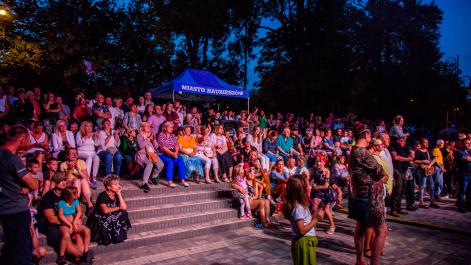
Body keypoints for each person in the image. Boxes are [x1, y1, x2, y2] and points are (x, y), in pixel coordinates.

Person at [349, 122, 388, 265]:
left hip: (359, 194)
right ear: (366, 135)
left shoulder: (353, 151)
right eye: (369, 135)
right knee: (381, 230)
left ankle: (360, 259)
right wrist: (382, 176)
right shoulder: (364, 153)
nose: (370, 137)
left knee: (360, 227)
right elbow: (381, 172)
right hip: (371, 197)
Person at [0, 125, 38, 265]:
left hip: (4, 207)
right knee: (22, 250)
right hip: (16, 209)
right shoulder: (13, 159)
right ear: (22, 138)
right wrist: (28, 186)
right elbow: (34, 185)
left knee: (12, 248)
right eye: (28, 139)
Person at [41, 172, 93, 265]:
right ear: (55, 183)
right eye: (61, 181)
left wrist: (75, 221)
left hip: (71, 222)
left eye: (64, 180)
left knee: (78, 236)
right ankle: (83, 257)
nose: (64, 182)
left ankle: (79, 260)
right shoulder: (48, 197)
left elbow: (79, 212)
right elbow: (51, 219)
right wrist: (69, 221)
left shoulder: (69, 193)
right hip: (56, 226)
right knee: (67, 238)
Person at [282, 175, 324, 265]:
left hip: (306, 242)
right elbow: (301, 230)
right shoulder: (298, 208)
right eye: (307, 185)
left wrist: (314, 216)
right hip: (304, 243)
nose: (310, 186)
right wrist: (316, 219)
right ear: (301, 190)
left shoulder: (300, 205)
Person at [87, 175, 131, 245]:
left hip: (111, 214)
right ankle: (106, 237)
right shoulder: (102, 195)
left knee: (124, 213)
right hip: (100, 217)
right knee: (110, 217)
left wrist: (119, 194)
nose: (118, 186)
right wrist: (119, 208)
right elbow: (105, 210)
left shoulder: (116, 194)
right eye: (115, 184)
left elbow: (124, 207)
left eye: (118, 184)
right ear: (108, 187)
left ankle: (117, 236)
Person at [57, 186, 92, 264]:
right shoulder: (62, 203)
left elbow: (79, 212)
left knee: (87, 230)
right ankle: (61, 256)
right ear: (68, 195)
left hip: (74, 223)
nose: (77, 194)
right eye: (75, 193)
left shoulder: (75, 201)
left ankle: (86, 252)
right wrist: (69, 224)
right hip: (65, 224)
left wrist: (74, 222)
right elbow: (60, 215)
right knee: (66, 235)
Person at [158, 121, 188, 188]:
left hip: (173, 153)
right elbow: (163, 147)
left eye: (172, 127)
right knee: (169, 161)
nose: (172, 128)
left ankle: (182, 180)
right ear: (165, 128)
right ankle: (169, 181)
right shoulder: (161, 135)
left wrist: (176, 153)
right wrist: (172, 153)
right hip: (163, 154)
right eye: (170, 127)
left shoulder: (173, 136)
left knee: (180, 161)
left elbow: (176, 145)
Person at [389, 136, 416, 212]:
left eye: (405, 141)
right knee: (397, 189)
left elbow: (412, 155)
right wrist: (407, 159)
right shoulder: (393, 147)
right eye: (402, 140)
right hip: (397, 170)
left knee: (402, 190)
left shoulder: (405, 148)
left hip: (404, 171)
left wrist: (411, 152)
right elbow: (395, 157)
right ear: (398, 140)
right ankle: (393, 209)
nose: (404, 142)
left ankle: (398, 207)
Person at [310, 156, 336, 235]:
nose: (318, 163)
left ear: (324, 162)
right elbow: (309, 180)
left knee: (326, 210)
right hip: (316, 192)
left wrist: (316, 186)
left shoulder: (327, 171)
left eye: (320, 161)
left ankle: (332, 225)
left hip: (325, 193)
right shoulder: (314, 170)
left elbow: (326, 185)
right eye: (317, 161)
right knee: (314, 208)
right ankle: (312, 225)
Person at [136, 122, 164, 192]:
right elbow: (141, 146)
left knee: (161, 165)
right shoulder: (139, 135)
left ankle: (153, 176)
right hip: (142, 155)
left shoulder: (151, 135)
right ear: (142, 127)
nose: (149, 127)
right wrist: (148, 138)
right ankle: (144, 183)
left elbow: (156, 147)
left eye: (149, 126)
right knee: (149, 164)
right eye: (147, 126)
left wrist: (154, 139)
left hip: (152, 154)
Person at [414, 138, 440, 209]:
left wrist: (429, 165)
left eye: (427, 142)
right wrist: (423, 161)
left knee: (431, 186)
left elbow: (434, 159)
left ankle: (432, 201)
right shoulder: (418, 151)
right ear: (421, 143)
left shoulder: (428, 151)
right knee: (422, 186)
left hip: (428, 170)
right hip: (421, 170)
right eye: (425, 142)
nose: (427, 144)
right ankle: (421, 202)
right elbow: (415, 161)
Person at [76, 121, 100, 189]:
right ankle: (87, 178)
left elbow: (96, 144)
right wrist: (86, 137)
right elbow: (78, 143)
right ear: (84, 127)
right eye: (87, 126)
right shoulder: (79, 133)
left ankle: (94, 178)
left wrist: (96, 137)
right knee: (89, 158)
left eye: (90, 126)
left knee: (97, 158)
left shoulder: (92, 134)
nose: (89, 127)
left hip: (92, 152)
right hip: (81, 152)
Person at [456, 138, 471, 213]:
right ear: (462, 144)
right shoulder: (459, 151)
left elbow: (469, 158)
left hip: (470, 174)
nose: (469, 144)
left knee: (469, 191)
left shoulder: (470, 151)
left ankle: (468, 206)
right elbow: (467, 159)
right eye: (467, 143)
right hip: (464, 174)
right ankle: (460, 206)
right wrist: (468, 158)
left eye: (469, 143)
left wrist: (469, 158)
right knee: (462, 190)